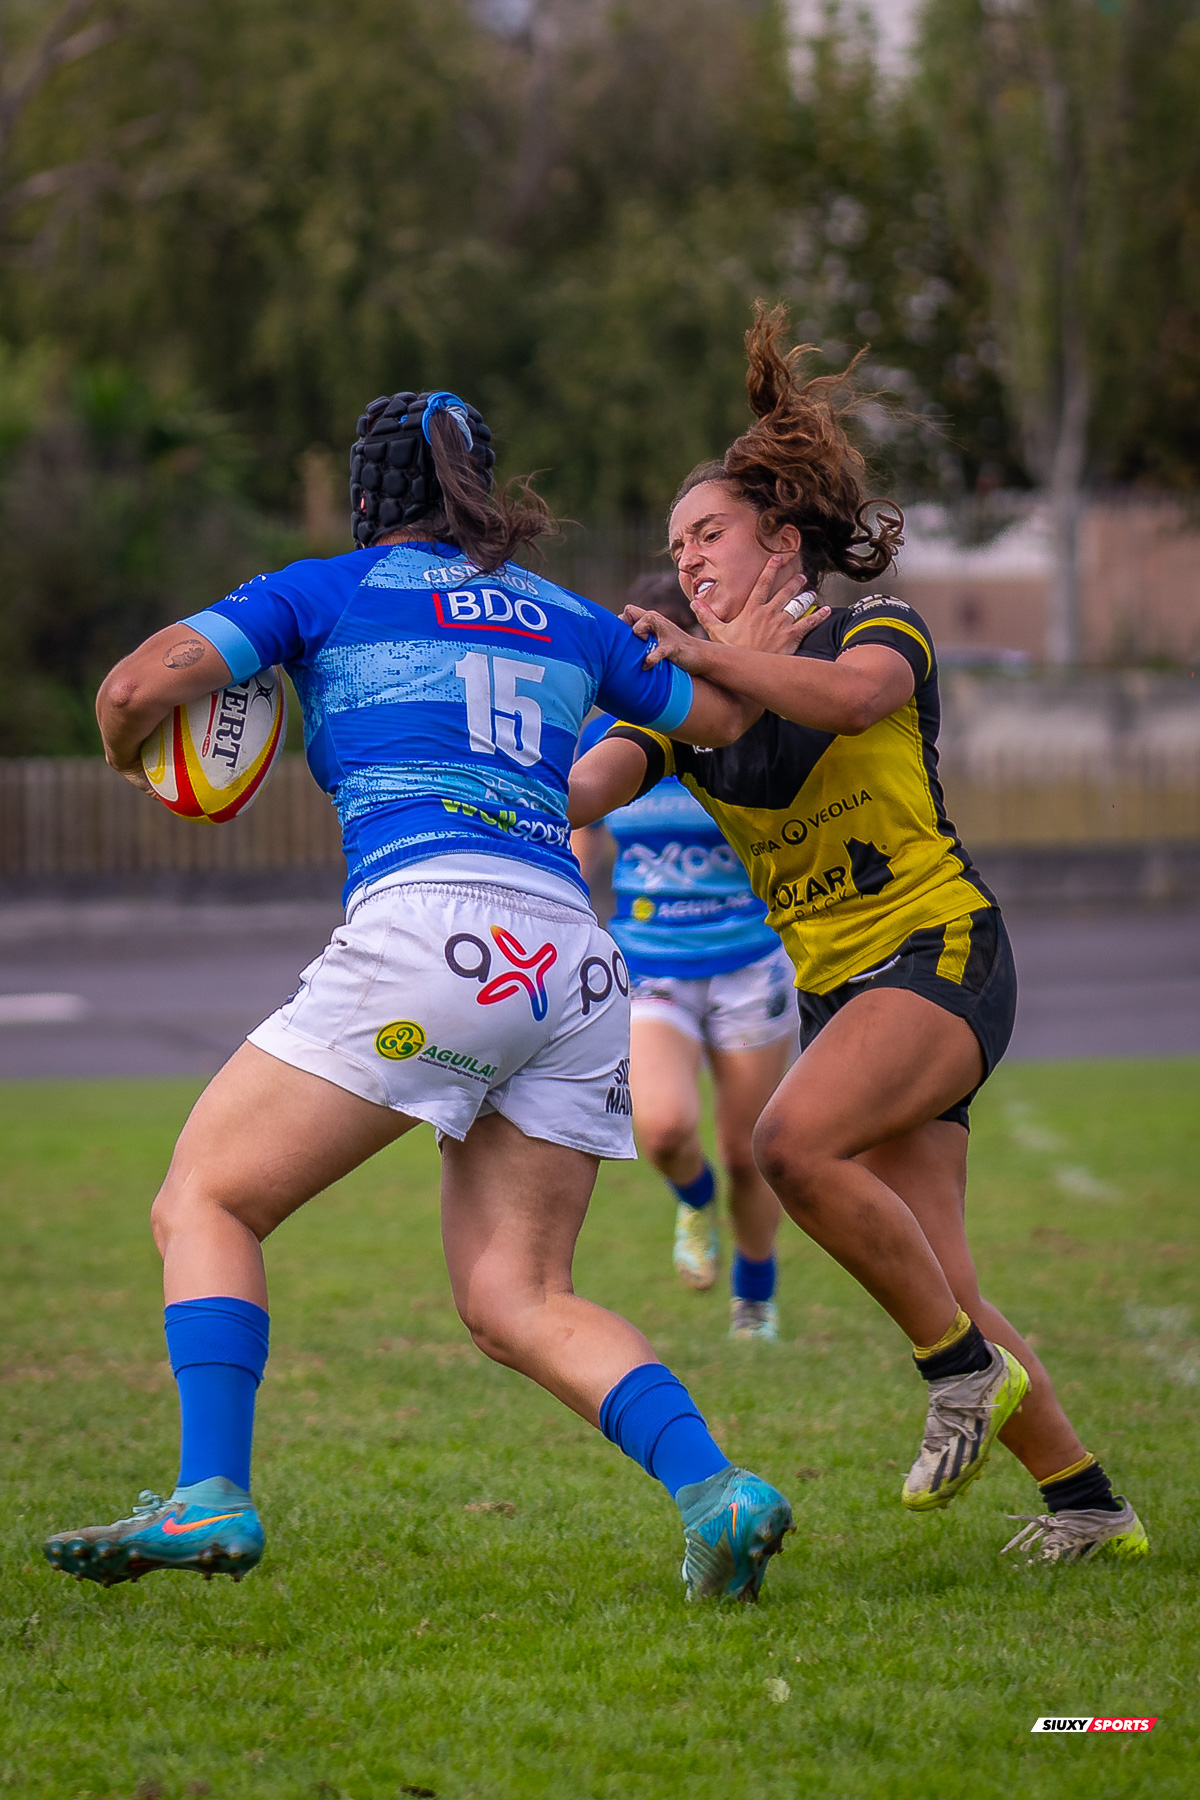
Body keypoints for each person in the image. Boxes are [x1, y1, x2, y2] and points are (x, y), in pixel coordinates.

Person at [44, 387, 796, 1603]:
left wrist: (132, 750)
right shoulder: (571, 616)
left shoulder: (323, 591)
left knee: (206, 1200)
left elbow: (135, 691)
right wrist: (743, 629)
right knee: (518, 1295)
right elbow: (723, 712)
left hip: (434, 935)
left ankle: (210, 1493)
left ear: (366, 493)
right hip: (577, 960)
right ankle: (719, 1491)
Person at [569, 307, 1147, 1566]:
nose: (688, 558)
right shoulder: (686, 707)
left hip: (940, 955)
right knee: (947, 1279)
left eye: (708, 533)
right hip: (843, 997)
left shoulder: (877, 623)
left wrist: (704, 657)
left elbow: (847, 700)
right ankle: (1090, 1505)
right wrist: (524, 729)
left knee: (784, 1143)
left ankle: (958, 1377)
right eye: (675, 547)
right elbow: (581, 790)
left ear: (782, 539)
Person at [573, 573, 791, 1338]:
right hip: (653, 965)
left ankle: (754, 1297)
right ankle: (694, 1202)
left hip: (749, 960)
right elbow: (583, 826)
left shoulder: (737, 725)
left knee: (748, 1151)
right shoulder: (612, 736)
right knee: (663, 1128)